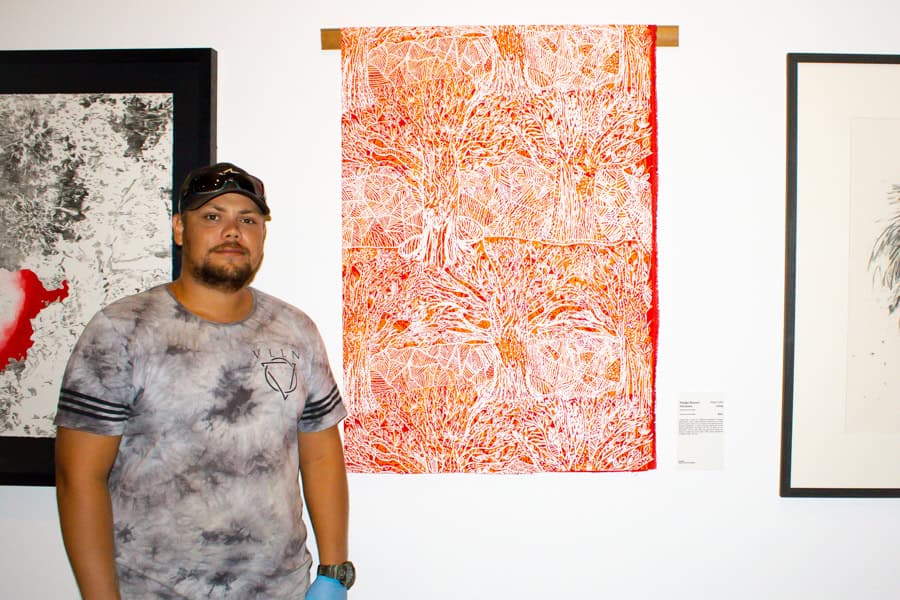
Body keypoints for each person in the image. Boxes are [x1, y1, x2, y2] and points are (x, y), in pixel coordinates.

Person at [54, 162, 355, 599]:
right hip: (152, 589)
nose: (232, 231)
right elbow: (77, 477)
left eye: (247, 220)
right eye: (212, 217)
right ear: (180, 229)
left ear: (262, 236)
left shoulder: (296, 331)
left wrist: (333, 571)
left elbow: (321, 454)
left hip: (280, 588)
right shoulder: (120, 330)